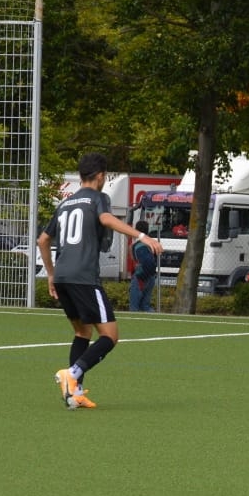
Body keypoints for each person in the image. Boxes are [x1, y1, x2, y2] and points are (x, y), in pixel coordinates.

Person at [39, 152, 162, 409]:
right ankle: (72, 374)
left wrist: (50, 274)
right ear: (100, 176)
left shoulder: (65, 203)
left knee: (82, 332)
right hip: (84, 278)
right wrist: (142, 236)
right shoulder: (98, 198)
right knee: (110, 336)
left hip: (62, 277)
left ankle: (74, 394)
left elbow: (43, 240)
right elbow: (105, 219)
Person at [128, 219, 158, 312]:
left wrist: (140, 276)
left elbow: (145, 262)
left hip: (141, 277)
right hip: (151, 275)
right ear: (147, 230)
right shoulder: (152, 243)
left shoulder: (138, 245)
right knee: (145, 305)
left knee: (134, 306)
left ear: (136, 230)